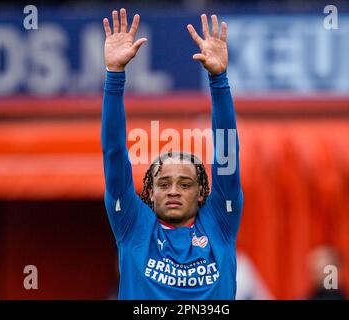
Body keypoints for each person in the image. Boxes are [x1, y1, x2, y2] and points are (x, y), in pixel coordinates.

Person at [101, 8, 243, 299]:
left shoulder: (220, 222)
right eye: (164, 184)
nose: (173, 191)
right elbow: (114, 153)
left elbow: (227, 153)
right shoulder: (133, 226)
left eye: (185, 184)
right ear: (150, 193)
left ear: (202, 192)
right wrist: (114, 76)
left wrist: (219, 80)